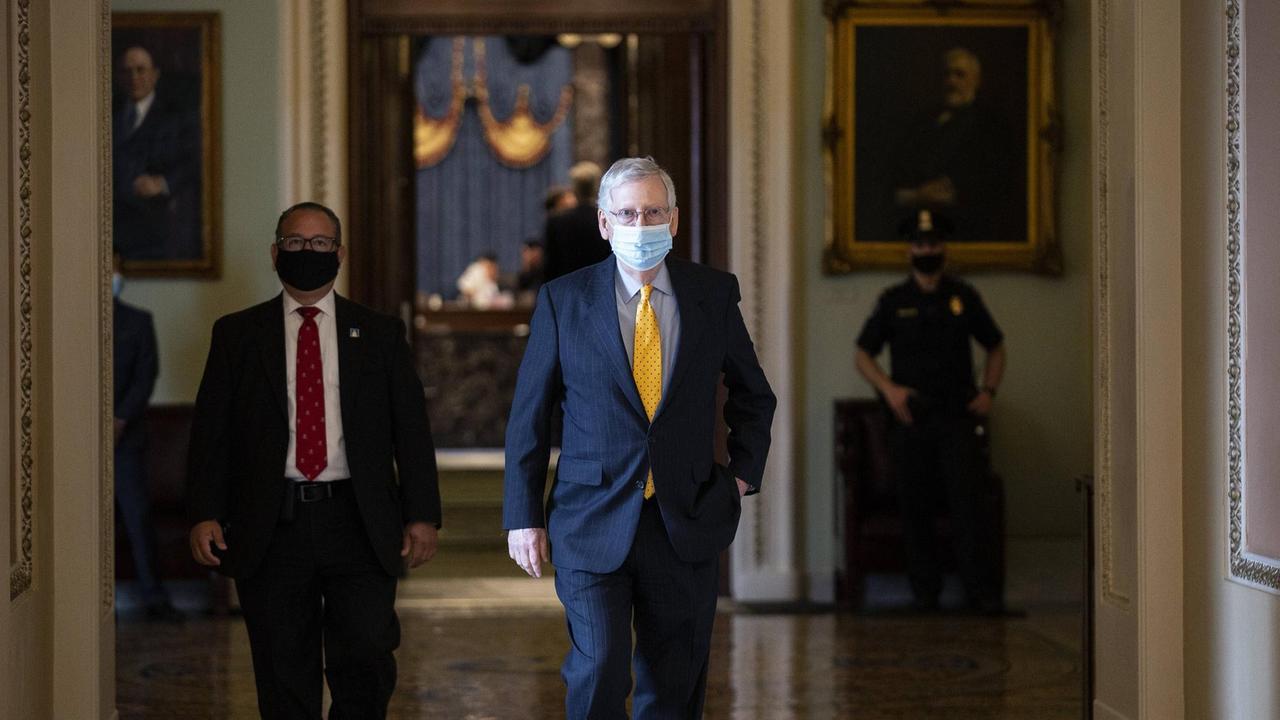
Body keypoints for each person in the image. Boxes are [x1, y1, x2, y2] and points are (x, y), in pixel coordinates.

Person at [504, 157, 777, 718]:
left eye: (653, 211)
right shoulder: (564, 299)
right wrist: (522, 515)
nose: (640, 224)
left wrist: (742, 475)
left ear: (674, 220)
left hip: (685, 516)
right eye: (627, 213)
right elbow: (529, 418)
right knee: (600, 668)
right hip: (589, 517)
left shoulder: (713, 293)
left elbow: (754, 395)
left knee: (674, 684)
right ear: (604, 223)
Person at [186, 202, 442, 719]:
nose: (309, 252)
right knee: (283, 668)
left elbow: (410, 432)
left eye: (321, 243)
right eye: (297, 243)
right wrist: (204, 511)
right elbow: (213, 431)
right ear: (275, 252)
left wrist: (422, 515)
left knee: (368, 654)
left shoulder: (380, 334)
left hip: (358, 518)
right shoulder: (237, 334)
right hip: (271, 522)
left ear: (340, 253)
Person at [853, 209, 1007, 613]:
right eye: (920, 244)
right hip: (911, 420)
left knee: (968, 507)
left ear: (944, 248)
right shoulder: (893, 301)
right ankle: (925, 595)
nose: (927, 250)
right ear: (910, 251)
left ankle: (980, 595)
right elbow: (863, 354)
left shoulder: (964, 297)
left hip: (957, 417)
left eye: (933, 243)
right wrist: (889, 390)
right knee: (915, 509)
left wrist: (989, 390)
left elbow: (996, 346)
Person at [884, 47, 1023, 243]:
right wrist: (913, 195)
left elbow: (997, 183)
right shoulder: (921, 122)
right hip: (915, 228)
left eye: (960, 74)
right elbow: (896, 170)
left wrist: (952, 191)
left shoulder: (992, 126)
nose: (951, 81)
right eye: (947, 74)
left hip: (968, 228)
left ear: (976, 80)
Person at [112, 253, 181, 621]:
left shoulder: (138, 322)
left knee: (139, 518)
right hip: (79, 443)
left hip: (127, 440)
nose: (112, 276)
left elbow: (145, 376)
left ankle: (155, 598)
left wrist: (119, 418)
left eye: (116, 269)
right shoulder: (73, 321)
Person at [112, 45, 199, 261]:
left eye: (140, 69)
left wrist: (162, 183)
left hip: (156, 226)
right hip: (113, 226)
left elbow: (194, 162)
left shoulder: (176, 116)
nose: (133, 77)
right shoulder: (107, 114)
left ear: (155, 74)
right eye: (126, 71)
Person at [543, 160, 610, 282]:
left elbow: (550, 266)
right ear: (597, 188)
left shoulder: (557, 221)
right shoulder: (608, 220)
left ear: (574, 189)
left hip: (567, 290)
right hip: (601, 287)